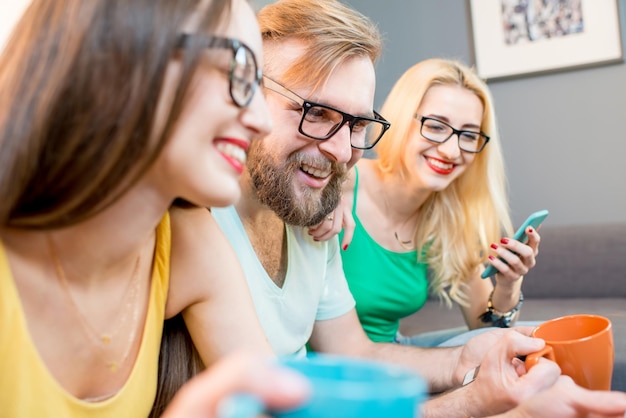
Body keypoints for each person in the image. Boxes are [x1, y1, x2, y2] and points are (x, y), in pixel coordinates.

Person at [207, 0, 588, 416]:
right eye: (314, 112)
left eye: (356, 125)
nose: (339, 150)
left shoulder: (321, 207)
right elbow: (272, 394)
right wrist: (473, 401)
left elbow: (356, 351)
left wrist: (479, 337)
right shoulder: (305, 202)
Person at [0, 0, 274, 416]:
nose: (262, 119)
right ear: (124, 50)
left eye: (259, 85)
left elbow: (278, 395)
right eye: (237, 71)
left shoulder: (188, 245)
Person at [310, 58, 540, 347]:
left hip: (393, 358)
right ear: (403, 119)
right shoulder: (334, 182)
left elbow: (483, 328)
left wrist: (508, 286)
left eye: (468, 135)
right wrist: (325, 191)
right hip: (328, 368)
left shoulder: (450, 215)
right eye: (435, 126)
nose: (451, 150)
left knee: (539, 340)